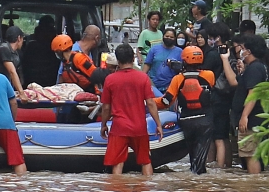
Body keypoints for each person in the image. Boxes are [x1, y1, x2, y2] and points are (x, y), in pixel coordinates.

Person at [100, 43, 163, 175]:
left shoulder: (110, 80)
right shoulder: (143, 78)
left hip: (119, 127)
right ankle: (147, 191)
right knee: (145, 161)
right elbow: (151, 103)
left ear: (118, 59)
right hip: (139, 126)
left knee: (117, 163)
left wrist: (104, 125)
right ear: (134, 57)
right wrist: (158, 124)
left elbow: (106, 107)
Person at [156, 46, 215, 175]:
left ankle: (193, 180)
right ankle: (199, 180)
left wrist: (149, 102)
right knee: (200, 157)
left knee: (192, 155)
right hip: (205, 119)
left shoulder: (178, 79)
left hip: (187, 121)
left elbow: (166, 102)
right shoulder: (209, 75)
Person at [223, 34, 268, 174]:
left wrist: (244, 116)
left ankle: (254, 187)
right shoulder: (259, 67)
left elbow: (252, 93)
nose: (240, 51)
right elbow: (238, 83)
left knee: (251, 155)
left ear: (249, 50)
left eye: (242, 48)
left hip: (252, 121)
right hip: (257, 120)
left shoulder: (255, 68)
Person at [207, 22, 234, 168]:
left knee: (216, 137)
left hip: (215, 97)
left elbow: (204, 73)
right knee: (224, 136)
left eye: (211, 37)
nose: (210, 40)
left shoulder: (213, 54)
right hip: (228, 98)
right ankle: (228, 165)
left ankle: (218, 167)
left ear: (217, 37)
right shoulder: (231, 52)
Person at [0, 25, 27, 101]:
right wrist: (21, 93)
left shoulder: (15, 52)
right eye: (23, 39)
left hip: (6, 85)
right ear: (19, 38)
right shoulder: (4, 49)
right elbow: (12, 71)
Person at [22, 15, 59, 87]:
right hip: (51, 78)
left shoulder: (30, 47)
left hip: (31, 79)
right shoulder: (56, 49)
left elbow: (24, 63)